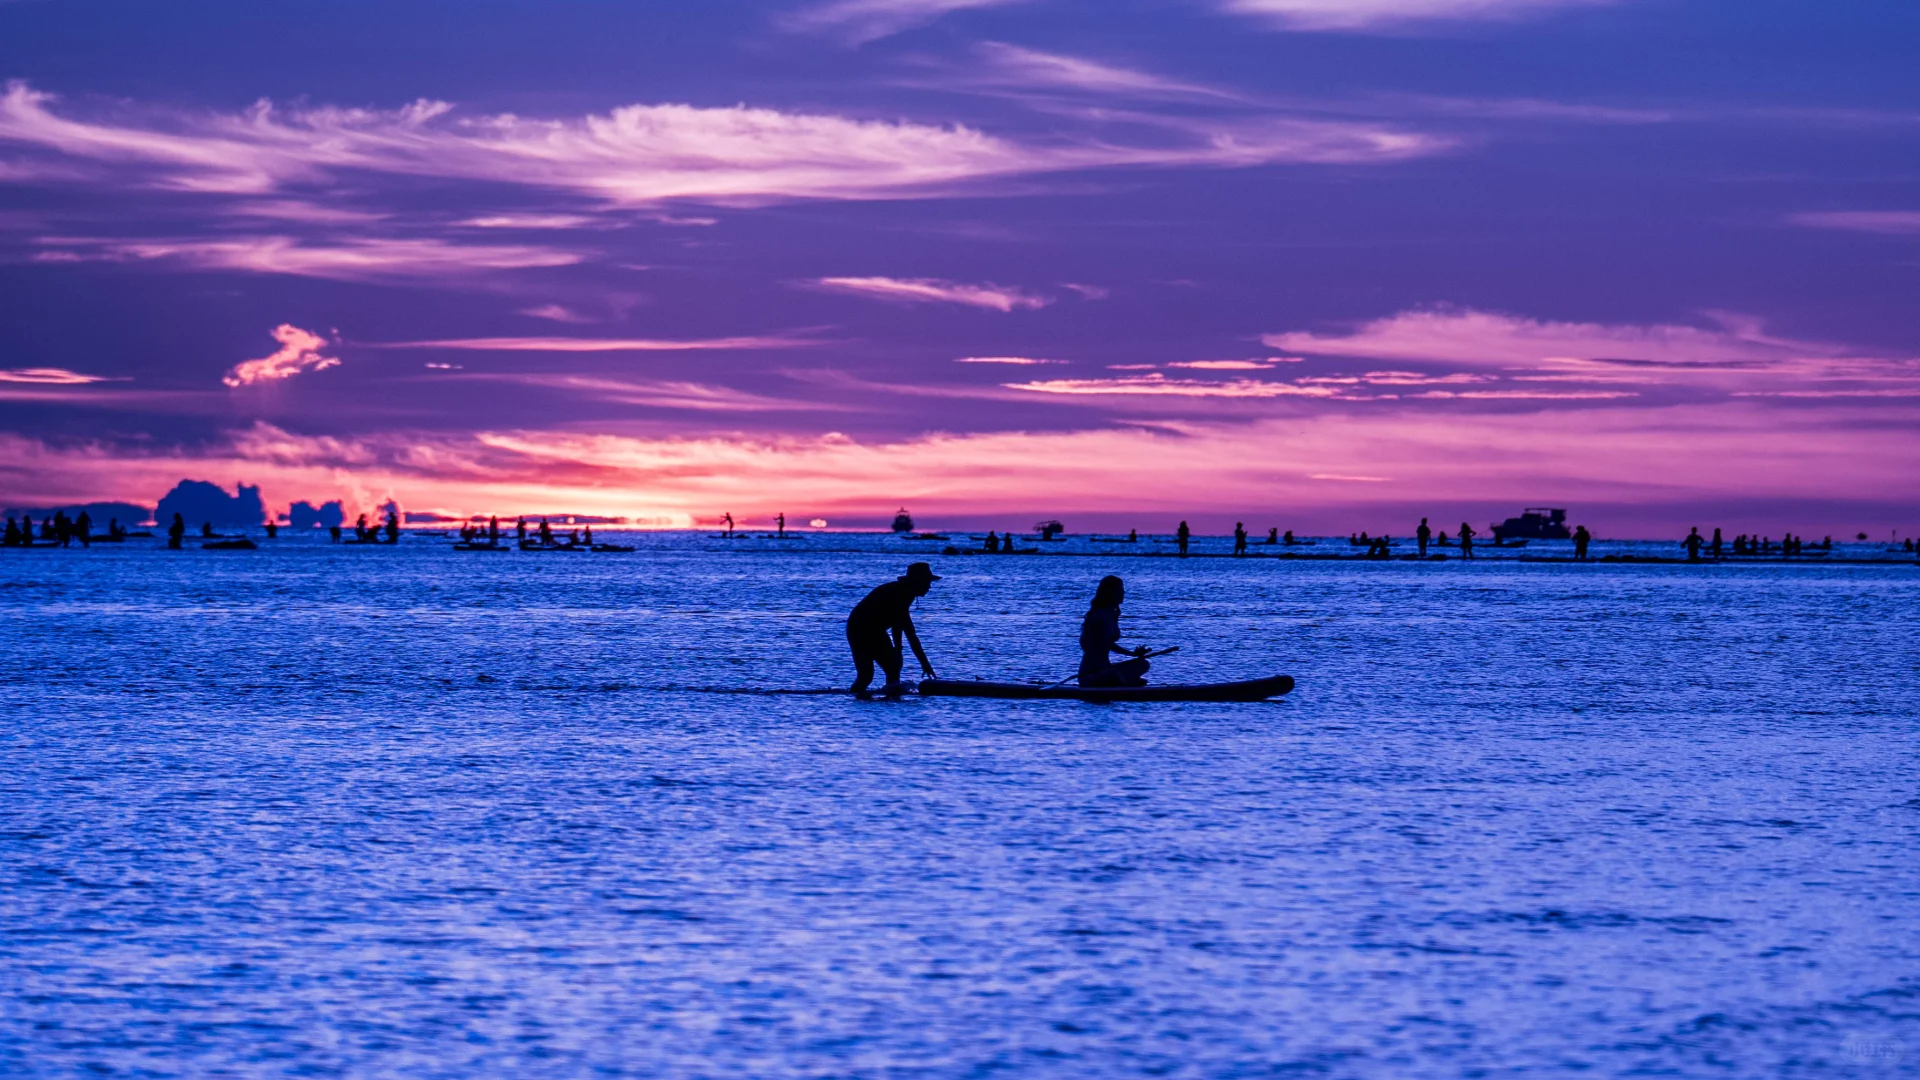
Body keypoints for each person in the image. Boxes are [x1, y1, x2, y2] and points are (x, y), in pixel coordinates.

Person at [846, 562, 939, 697]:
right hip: (860, 629)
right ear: (917, 582)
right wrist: (925, 664)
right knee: (867, 675)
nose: (929, 587)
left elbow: (897, 625)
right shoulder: (900, 594)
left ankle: (890, 696)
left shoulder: (906, 593)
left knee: (892, 669)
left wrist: (898, 650)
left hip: (873, 630)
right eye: (926, 582)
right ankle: (876, 697)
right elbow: (910, 634)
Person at [1077, 575, 1150, 688]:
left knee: (1143, 664)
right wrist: (1099, 665)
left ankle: (1122, 681)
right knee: (1112, 674)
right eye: (1120, 590)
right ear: (1111, 593)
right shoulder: (1099, 615)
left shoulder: (1112, 614)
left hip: (1106, 669)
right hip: (1091, 673)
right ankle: (1122, 682)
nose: (1123, 593)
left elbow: (1108, 644)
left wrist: (1133, 654)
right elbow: (1084, 641)